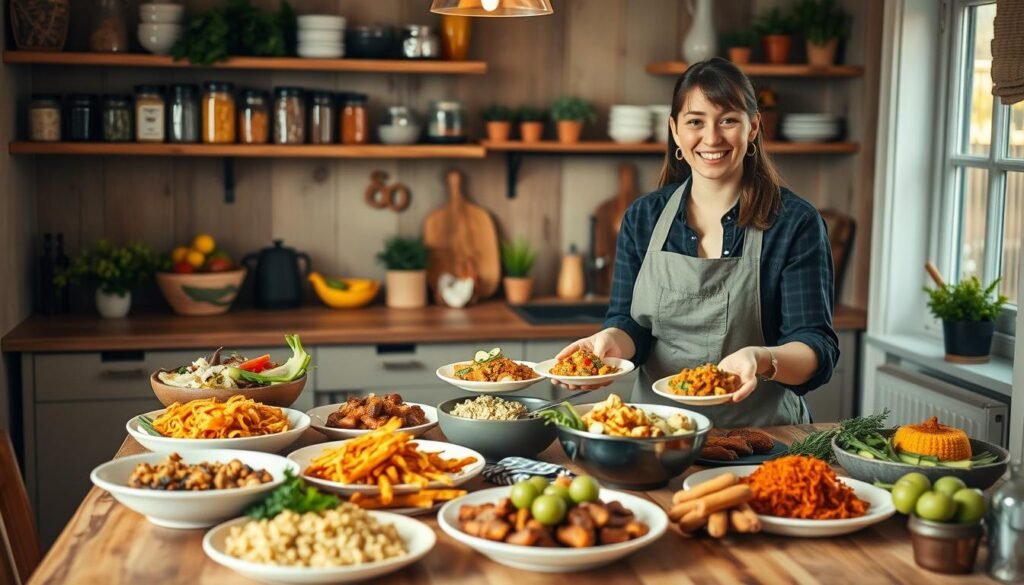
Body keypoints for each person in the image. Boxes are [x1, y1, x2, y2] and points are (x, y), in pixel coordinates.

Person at [555, 57, 839, 427]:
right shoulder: (644, 218)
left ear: (753, 127)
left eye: (728, 120)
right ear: (675, 130)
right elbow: (633, 326)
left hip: (763, 437)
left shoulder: (794, 223)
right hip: (653, 431)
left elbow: (817, 348)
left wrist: (761, 359)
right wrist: (611, 340)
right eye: (695, 122)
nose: (712, 138)